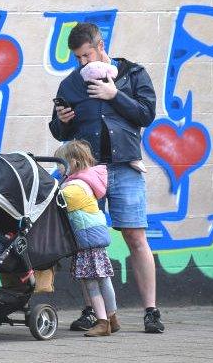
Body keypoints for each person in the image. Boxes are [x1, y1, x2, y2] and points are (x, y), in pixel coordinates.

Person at [49, 22, 164, 333]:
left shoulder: (133, 74)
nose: (83, 63)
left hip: (125, 165)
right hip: (86, 174)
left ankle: (151, 311)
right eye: (78, 58)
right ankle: (93, 311)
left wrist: (115, 95)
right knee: (86, 243)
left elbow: (146, 114)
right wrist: (61, 122)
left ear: (100, 45)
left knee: (135, 237)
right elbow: (60, 132)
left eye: (86, 55)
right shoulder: (71, 85)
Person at [56, 140, 120, 337]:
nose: (58, 168)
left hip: (87, 241)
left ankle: (102, 322)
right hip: (95, 239)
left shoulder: (73, 188)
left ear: (73, 163)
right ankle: (112, 318)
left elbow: (56, 201)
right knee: (104, 280)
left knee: (91, 282)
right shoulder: (86, 181)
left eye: (60, 164)